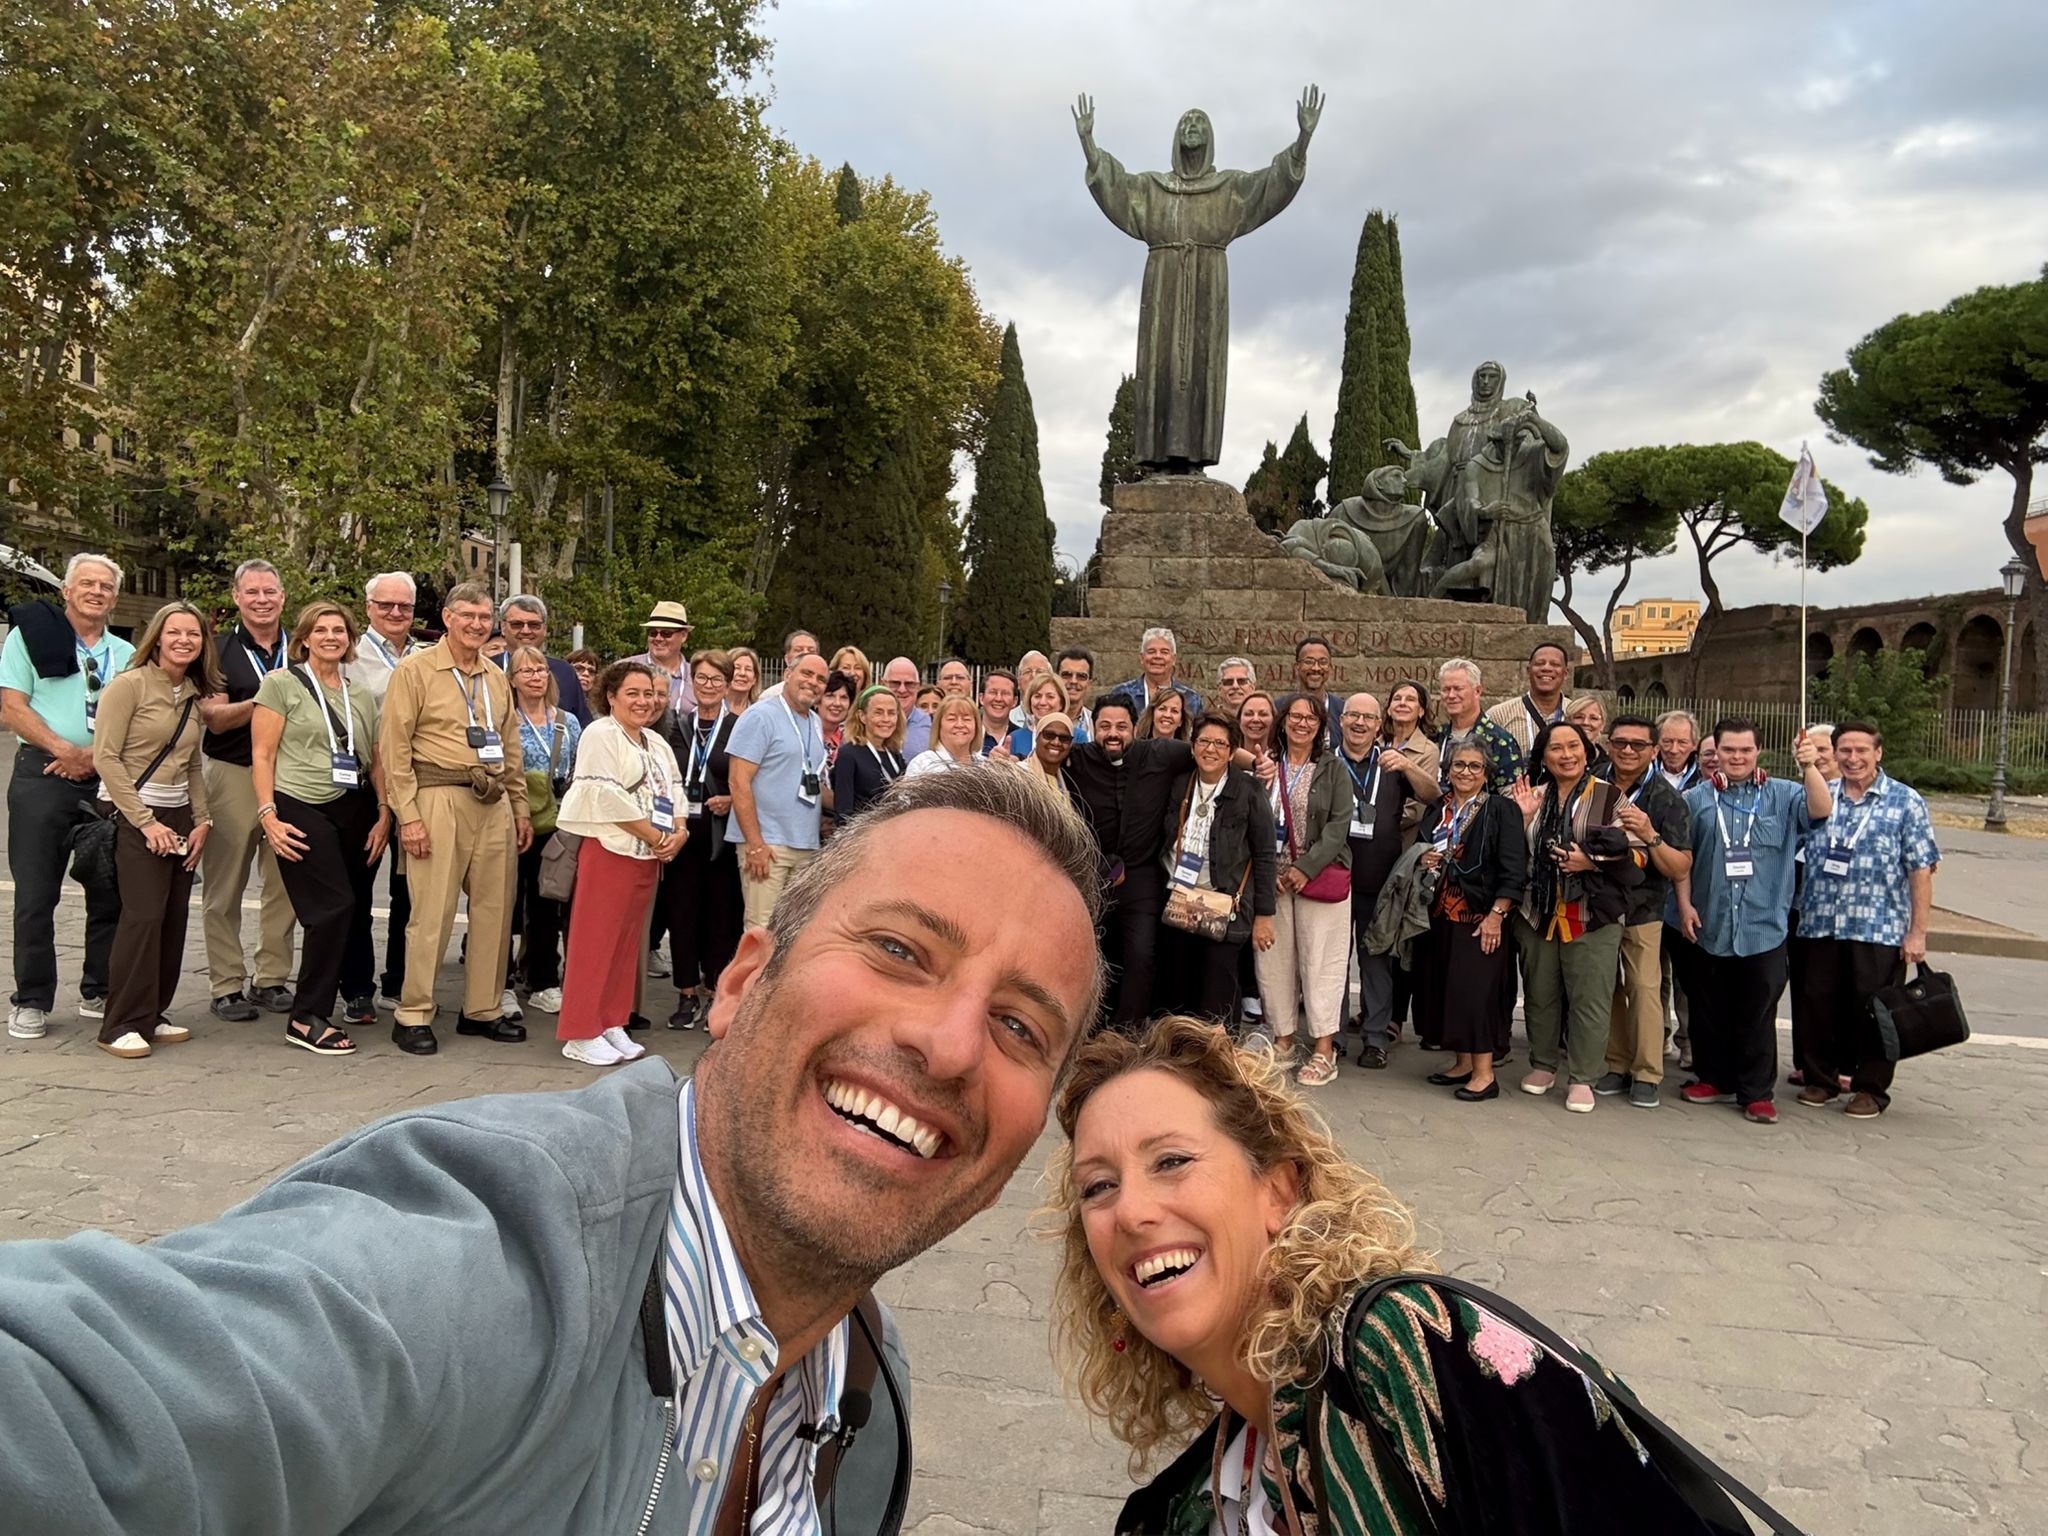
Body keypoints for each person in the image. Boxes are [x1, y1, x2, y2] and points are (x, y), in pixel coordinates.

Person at [0, 768, 1105, 1536]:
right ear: (738, 979)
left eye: (1020, 1027)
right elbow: (94, 1415)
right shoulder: (478, 1264)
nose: (950, 1043)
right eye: (900, 950)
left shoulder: (865, 1392)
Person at [1049, 1019, 1733, 1536]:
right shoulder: (1181, 1502)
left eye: (1170, 1161)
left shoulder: (1398, 1348)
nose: (1132, 1211)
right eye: (1098, 1187)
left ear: (1279, 1192)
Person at [381, 582, 531, 1056]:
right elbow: (395, 748)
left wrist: (519, 807)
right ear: (446, 617)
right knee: (432, 910)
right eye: (467, 615)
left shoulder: (494, 675)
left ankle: (482, 1008)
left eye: (485, 617)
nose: (476, 624)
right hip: (437, 796)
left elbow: (511, 747)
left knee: (494, 909)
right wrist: (407, 816)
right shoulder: (416, 670)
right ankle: (414, 1011)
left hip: (493, 800)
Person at [1671, 719, 1829, 1125]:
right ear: (1715, 753)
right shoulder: (1695, 800)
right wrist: (1685, 906)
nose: (1736, 758)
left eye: (1745, 750)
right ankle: (1714, 1078)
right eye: (1728, 751)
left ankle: (1756, 1092)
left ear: (1758, 752)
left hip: (1764, 926)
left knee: (1757, 1012)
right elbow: (1683, 861)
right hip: (1711, 923)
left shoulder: (1786, 794)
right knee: (1709, 1008)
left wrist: (1810, 766)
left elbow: (1821, 809)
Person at [3, 553, 133, 1040]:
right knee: (37, 894)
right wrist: (64, 749)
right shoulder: (30, 638)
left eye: (105, 586)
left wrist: (95, 758)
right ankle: (32, 999)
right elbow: (11, 707)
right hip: (43, 772)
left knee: (110, 889)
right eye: (87, 584)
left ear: (115, 598)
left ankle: (98, 988)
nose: (96, 592)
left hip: (105, 777)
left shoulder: (125, 651)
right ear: (67, 591)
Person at [252, 601, 390, 1054]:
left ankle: (328, 1002)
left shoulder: (361, 694)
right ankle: (307, 1016)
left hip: (356, 807)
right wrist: (268, 814)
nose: (331, 636)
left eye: (340, 630)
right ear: (305, 638)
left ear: (350, 640)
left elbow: (374, 757)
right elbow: (263, 756)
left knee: (350, 909)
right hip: (300, 803)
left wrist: (385, 812)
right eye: (321, 629)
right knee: (331, 907)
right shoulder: (280, 685)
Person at [88, 601, 218, 1059]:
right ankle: (119, 1022)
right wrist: (145, 822)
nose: (184, 641)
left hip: (180, 817)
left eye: (194, 635)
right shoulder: (129, 686)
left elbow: (194, 764)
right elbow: (106, 758)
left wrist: (203, 821)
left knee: (172, 918)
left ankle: (152, 1013)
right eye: (175, 633)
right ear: (157, 638)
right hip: (134, 817)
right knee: (142, 918)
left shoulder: (193, 695)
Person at [1793, 721, 1938, 1118]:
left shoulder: (1905, 801)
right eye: (1845, 751)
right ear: (1834, 754)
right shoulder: (1819, 796)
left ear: (1878, 753)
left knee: (1875, 1012)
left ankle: (1870, 1087)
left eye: (1862, 751)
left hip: (1879, 926)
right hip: (1821, 922)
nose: (1853, 759)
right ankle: (1820, 1079)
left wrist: (1917, 932)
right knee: (1818, 1006)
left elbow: (1921, 868)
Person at [555, 661, 684, 1067]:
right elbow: (607, 796)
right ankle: (579, 1031)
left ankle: (611, 1020)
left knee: (627, 944)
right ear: (610, 696)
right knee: (595, 941)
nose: (643, 702)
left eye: (649, 694)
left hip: (648, 856)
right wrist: (654, 835)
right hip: (611, 850)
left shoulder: (655, 742)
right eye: (633, 693)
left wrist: (679, 832)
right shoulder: (600, 734)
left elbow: (676, 789)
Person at [1509, 722, 1639, 1113]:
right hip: (1537, 912)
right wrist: (1520, 817)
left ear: (1587, 751)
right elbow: (1513, 853)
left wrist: (1592, 861)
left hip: (1590, 915)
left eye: (1573, 747)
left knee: (1590, 998)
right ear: (1544, 757)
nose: (1566, 755)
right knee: (1540, 992)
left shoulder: (1611, 797)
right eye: (1556, 749)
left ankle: (1583, 1076)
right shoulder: (1533, 795)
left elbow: (1638, 854)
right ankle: (1543, 1064)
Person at [197, 559, 299, 1024]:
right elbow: (214, 717)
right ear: (237, 597)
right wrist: (269, 698)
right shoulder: (216, 650)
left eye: (270, 592)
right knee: (226, 884)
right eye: (252, 592)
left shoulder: (301, 649)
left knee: (285, 883)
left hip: (291, 776)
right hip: (233, 772)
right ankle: (226, 985)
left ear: (282, 597)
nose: (262, 600)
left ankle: (272, 978)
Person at [1251, 692, 1353, 1084]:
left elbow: (1339, 825)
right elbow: (1255, 819)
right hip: (1273, 881)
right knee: (1275, 962)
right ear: (1283, 721)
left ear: (1321, 726)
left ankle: (1325, 1048)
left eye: (1311, 718)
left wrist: (1305, 868)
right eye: (1295, 716)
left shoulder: (1332, 769)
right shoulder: (1266, 766)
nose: (1302, 724)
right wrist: (1269, 872)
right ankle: (1284, 1040)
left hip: (1318, 878)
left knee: (1321, 962)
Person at [1415, 742, 1528, 1096]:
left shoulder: (1501, 810)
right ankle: (1463, 1062)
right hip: (1439, 913)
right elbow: (1421, 847)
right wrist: (1424, 859)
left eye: (1475, 766)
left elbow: (1514, 868)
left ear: (1487, 773)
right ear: (1448, 770)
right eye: (1459, 765)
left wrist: (1497, 916)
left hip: (1479, 915)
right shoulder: (1440, 808)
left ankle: (1484, 1074)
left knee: (1476, 993)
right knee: (1450, 989)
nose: (1466, 772)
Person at [1334, 692, 1439, 1068]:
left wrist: (1410, 768)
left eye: (1368, 717)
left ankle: (1376, 1038)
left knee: (1376, 961)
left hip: (1382, 882)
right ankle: (1333, 1036)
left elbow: (1433, 795)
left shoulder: (1392, 764)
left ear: (1381, 725)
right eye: (1353, 716)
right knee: (1333, 963)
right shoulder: (1328, 762)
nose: (1360, 723)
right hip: (1334, 879)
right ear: (1342, 720)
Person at [1593, 713, 1692, 1109]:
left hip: (1642, 907)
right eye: (1620, 743)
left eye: (1638, 745)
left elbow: (1680, 866)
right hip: (1596, 902)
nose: (1628, 751)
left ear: (1653, 751)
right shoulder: (1593, 784)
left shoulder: (1667, 800)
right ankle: (1616, 1063)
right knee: (1609, 988)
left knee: (1644, 989)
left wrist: (1649, 834)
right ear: (1608, 745)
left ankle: (1648, 1072)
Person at [1155, 713, 1276, 1023]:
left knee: (1217, 995)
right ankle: (1179, 1061)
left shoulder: (1249, 791)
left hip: (1223, 903)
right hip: (1180, 900)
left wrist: (1264, 915)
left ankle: (1217, 1062)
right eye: (1204, 741)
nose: (1211, 750)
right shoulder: (1179, 784)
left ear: (1233, 752)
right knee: (1178, 991)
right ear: (1193, 746)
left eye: (1220, 744)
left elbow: (1264, 855)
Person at [348, 569, 426, 1012]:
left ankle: (400, 979)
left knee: (410, 890)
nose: (396, 613)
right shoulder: (349, 653)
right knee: (357, 887)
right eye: (386, 605)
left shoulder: (427, 655)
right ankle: (357, 988)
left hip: (419, 784)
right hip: (364, 782)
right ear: (369, 608)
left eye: (404, 607)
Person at [659, 649, 743, 1031]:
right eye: (702, 679)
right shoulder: (677, 725)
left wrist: (733, 799)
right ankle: (686, 992)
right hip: (683, 834)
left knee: (722, 917)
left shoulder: (741, 726)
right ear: (692, 682)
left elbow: (751, 779)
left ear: (727, 685)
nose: (708, 686)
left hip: (722, 838)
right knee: (683, 914)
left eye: (716, 680)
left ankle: (715, 990)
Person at [726, 651, 829, 930]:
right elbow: (738, 781)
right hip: (768, 845)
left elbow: (809, 778)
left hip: (806, 845)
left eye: (821, 679)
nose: (813, 682)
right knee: (761, 933)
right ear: (787, 674)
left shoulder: (815, 722)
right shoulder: (760, 716)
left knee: (791, 934)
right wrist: (755, 843)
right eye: (806, 673)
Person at [507, 644, 581, 1016]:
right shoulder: (506, 721)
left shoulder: (567, 722)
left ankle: (543, 980)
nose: (535, 677)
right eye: (526, 671)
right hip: (512, 820)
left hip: (555, 824)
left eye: (540, 670)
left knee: (546, 904)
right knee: (504, 905)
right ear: (513, 679)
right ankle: (501, 981)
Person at [497, 595, 592, 726]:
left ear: (545, 629)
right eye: (517, 624)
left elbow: (583, 725)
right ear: (503, 627)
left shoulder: (564, 673)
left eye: (534, 625)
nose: (525, 630)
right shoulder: (488, 668)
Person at [1435, 655, 1522, 792]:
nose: (1451, 695)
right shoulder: (1437, 736)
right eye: (1446, 689)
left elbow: (1511, 799)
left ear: (1477, 691)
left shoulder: (1500, 741)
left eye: (1458, 689)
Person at [832, 684, 908, 821]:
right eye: (878, 712)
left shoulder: (895, 755)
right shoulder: (848, 755)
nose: (886, 719)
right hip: (863, 836)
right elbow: (843, 812)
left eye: (891, 713)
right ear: (862, 716)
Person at [1485, 640, 1574, 754]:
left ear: (1565, 674)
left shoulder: (1577, 714)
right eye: (1539, 663)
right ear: (1528, 670)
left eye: (1555, 664)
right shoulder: (1498, 716)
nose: (1546, 668)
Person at [1383, 679, 1441, 844]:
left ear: (1421, 711)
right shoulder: (1375, 745)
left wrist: (1377, 821)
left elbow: (1418, 808)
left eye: (1410, 700)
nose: (1402, 703)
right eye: (1397, 698)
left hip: (1403, 841)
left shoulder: (1428, 751)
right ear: (1388, 709)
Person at [624, 600, 695, 718]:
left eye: (666, 633)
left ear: (683, 636)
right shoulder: (625, 669)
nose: (658, 638)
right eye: (652, 633)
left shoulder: (697, 677)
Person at [1108, 625, 1201, 716]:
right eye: (1151, 651)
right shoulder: (1121, 694)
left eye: (1164, 652)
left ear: (1173, 659)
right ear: (1142, 658)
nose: (1157, 656)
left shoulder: (1191, 699)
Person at [1289, 634, 1344, 752]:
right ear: (1297, 667)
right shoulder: (1280, 707)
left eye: (1322, 662)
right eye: (1309, 661)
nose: (1316, 668)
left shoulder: (1343, 711)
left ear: (1330, 668)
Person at [905, 695, 981, 776]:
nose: (960, 725)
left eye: (967, 719)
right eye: (952, 719)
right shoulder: (922, 764)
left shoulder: (984, 765)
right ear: (939, 725)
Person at [1015, 709, 1076, 800]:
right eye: (1049, 735)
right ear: (1037, 737)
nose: (1056, 742)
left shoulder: (1070, 779)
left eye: (1064, 738)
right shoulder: (1019, 774)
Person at [1007, 669, 1069, 756]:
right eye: (1037, 696)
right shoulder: (1014, 738)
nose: (1042, 702)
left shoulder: (1076, 736)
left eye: (1050, 697)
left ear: (1061, 703)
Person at [754, 629, 821, 705]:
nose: (805, 653)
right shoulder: (770, 696)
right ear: (787, 659)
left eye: (811, 651)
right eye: (798, 650)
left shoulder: (826, 694)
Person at [883, 655, 931, 755]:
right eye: (895, 683)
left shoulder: (930, 725)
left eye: (909, 684)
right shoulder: (868, 721)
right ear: (883, 684)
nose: (902, 690)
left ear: (918, 686)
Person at [1054, 646, 1097, 740]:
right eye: (1067, 675)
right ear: (1056, 679)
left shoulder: (1095, 723)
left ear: (1089, 684)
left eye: (1081, 676)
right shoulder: (1040, 719)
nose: (1073, 681)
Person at [819, 669, 858, 772]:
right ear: (817, 700)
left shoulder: (853, 740)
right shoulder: (806, 735)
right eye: (830, 696)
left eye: (844, 698)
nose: (837, 703)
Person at [1566, 694, 1609, 771]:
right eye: (1579, 717)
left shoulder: (1609, 766)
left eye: (1594, 718)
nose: (1586, 723)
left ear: (1602, 725)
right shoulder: (1557, 758)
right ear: (1568, 721)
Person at [726, 645, 762, 713]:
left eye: (748, 669)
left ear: (755, 678)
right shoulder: (712, 706)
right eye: (737, 668)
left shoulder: (760, 711)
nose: (742, 673)